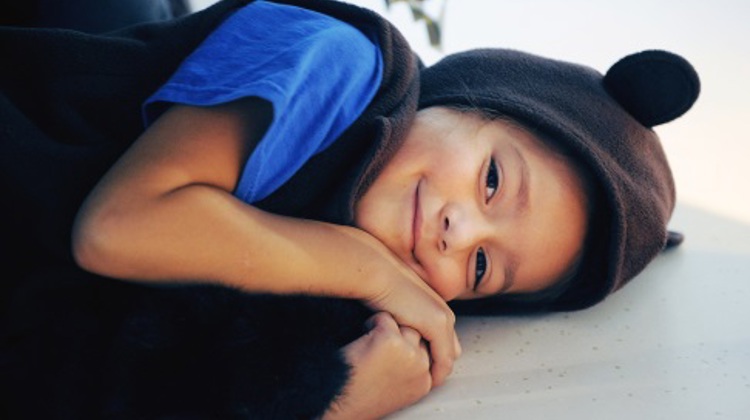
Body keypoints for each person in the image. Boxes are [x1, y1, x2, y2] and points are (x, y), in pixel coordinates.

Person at [0, 0, 699, 418]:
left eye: (485, 265)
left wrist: (335, 399)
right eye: (491, 181)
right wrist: (364, 267)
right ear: (459, 99)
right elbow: (119, 229)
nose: (460, 232)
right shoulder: (346, 65)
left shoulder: (322, 280)